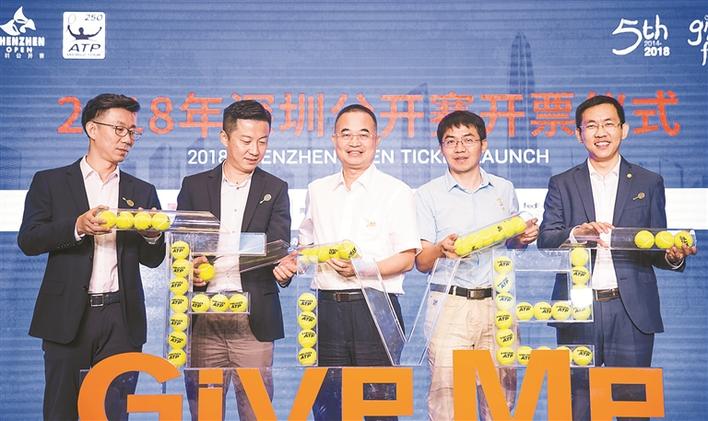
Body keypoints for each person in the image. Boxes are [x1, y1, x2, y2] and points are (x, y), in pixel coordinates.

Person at [537, 95, 697, 420]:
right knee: (577, 406)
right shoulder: (562, 183)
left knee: (632, 405)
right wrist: (577, 233)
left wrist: (673, 255)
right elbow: (546, 238)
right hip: (578, 309)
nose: (601, 132)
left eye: (608, 124)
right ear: (578, 134)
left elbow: (657, 247)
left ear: (624, 129)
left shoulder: (648, 181)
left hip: (630, 310)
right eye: (591, 126)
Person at [17, 93, 165, 420]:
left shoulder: (142, 191)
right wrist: (77, 226)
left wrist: (152, 235)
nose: (127, 139)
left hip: (121, 317)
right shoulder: (50, 182)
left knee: (114, 412)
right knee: (62, 411)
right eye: (119, 129)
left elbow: (153, 258)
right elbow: (29, 239)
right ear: (92, 129)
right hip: (67, 315)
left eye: (133, 132)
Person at [274, 104, 420, 420]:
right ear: (334, 140)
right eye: (346, 134)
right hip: (326, 308)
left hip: (376, 308)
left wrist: (362, 269)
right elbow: (308, 248)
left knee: (379, 408)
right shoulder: (318, 190)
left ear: (376, 140)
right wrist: (291, 264)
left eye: (363, 134)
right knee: (328, 407)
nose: (354, 142)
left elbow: (407, 258)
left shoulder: (396, 191)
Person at [414, 110, 538, 420]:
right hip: (450, 306)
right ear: (441, 148)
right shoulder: (427, 195)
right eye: (450, 141)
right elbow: (421, 261)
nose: (459, 148)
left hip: (498, 305)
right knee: (447, 403)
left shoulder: (503, 189)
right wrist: (441, 250)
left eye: (468, 140)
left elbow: (511, 244)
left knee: (501, 403)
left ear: (483, 145)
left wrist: (522, 238)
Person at [177, 100, 291, 421]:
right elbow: (180, 246)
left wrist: (229, 247)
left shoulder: (275, 188)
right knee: (205, 413)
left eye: (263, 141)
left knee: (256, 413)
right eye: (246, 140)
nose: (255, 150)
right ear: (224, 138)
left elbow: (276, 247)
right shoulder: (194, 186)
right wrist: (189, 269)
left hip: (253, 319)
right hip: (203, 317)